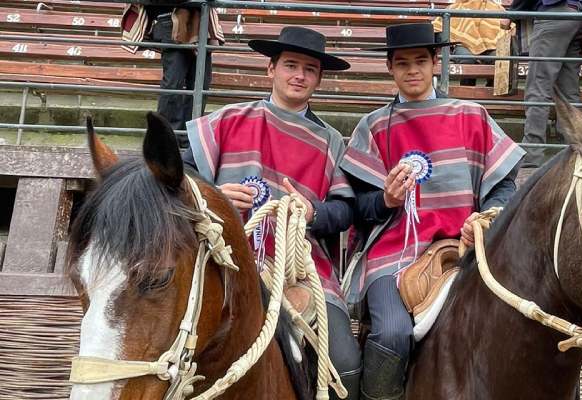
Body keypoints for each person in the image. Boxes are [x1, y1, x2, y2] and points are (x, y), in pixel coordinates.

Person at [340, 23, 525, 400]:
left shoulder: (471, 115)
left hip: (467, 249)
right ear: (390, 67)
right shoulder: (372, 126)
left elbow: (503, 186)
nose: (413, 70)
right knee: (391, 332)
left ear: (435, 62)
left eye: (421, 61)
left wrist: (487, 217)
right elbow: (357, 208)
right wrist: (385, 200)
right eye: (403, 63)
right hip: (392, 256)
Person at [183, 26, 361, 399]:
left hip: (304, 270)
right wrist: (214, 194)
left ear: (319, 78)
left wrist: (313, 212)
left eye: (309, 69)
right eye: (291, 65)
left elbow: (345, 211)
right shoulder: (228, 119)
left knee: (345, 361)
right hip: (225, 262)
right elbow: (178, 179)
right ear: (271, 70)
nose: (299, 75)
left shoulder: (331, 141)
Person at [121, 4, 224, 143]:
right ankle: (165, 138)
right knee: (173, 83)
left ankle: (189, 137)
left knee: (200, 83)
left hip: (201, 21)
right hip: (171, 19)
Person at [510, 0, 582, 167]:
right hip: (577, 14)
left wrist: (511, 14)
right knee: (569, 91)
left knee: (538, 87)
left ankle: (532, 153)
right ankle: (573, 151)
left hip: (553, 14)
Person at [431, 0, 511, 86]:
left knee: (499, 58)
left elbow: (508, 27)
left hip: (491, 45)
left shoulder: (496, 8)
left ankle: (490, 91)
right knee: (467, 59)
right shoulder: (455, 7)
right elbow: (438, 26)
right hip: (463, 44)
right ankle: (466, 93)